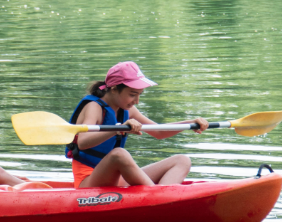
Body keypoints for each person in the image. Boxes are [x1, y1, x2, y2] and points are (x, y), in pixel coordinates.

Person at [66, 61, 209, 189]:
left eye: (140, 94)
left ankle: (165, 195)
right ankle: (158, 196)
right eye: (133, 94)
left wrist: (190, 123)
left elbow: (159, 132)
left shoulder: (128, 109)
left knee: (182, 160)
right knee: (119, 154)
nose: (137, 101)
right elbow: (83, 143)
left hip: (117, 179)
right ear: (114, 88)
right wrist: (118, 129)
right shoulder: (94, 107)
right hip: (89, 182)